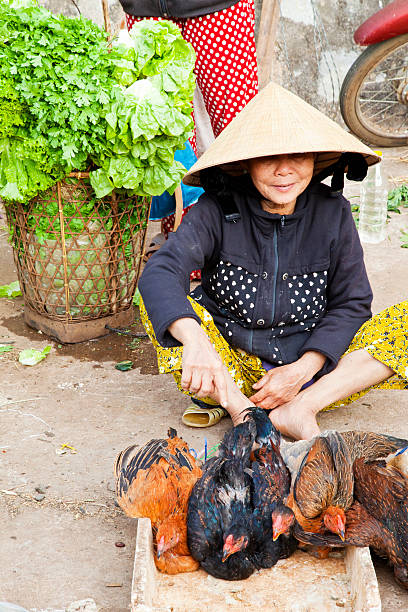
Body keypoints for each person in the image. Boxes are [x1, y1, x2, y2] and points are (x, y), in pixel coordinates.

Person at [138, 82, 406, 439]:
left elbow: (352, 304)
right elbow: (161, 271)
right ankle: (242, 411)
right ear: (246, 163)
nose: (284, 170)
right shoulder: (216, 210)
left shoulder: (333, 213)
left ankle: (300, 409)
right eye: (268, 157)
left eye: (297, 156)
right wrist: (196, 343)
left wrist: (301, 372)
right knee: (158, 300)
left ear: (314, 159)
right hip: (225, 369)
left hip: (311, 375)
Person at [119, 0, 259, 267]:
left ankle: (254, 244)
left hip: (217, 6)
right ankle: (187, 247)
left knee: (239, 130)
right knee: (168, 138)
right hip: (145, 9)